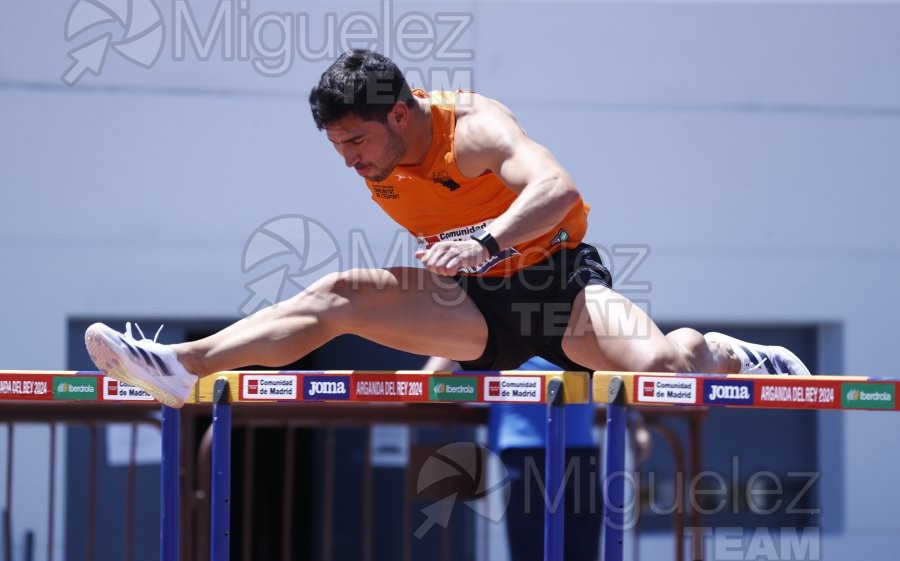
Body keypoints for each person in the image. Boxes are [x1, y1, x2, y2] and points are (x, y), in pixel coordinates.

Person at [84, 49, 810, 409]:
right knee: (340, 292)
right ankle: (182, 364)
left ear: (400, 114)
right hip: (471, 305)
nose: (351, 164)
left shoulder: (476, 130)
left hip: (558, 287)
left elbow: (560, 189)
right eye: (337, 150)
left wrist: (490, 239)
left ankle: (720, 349)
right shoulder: (374, 152)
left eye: (358, 144)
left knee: (664, 376)